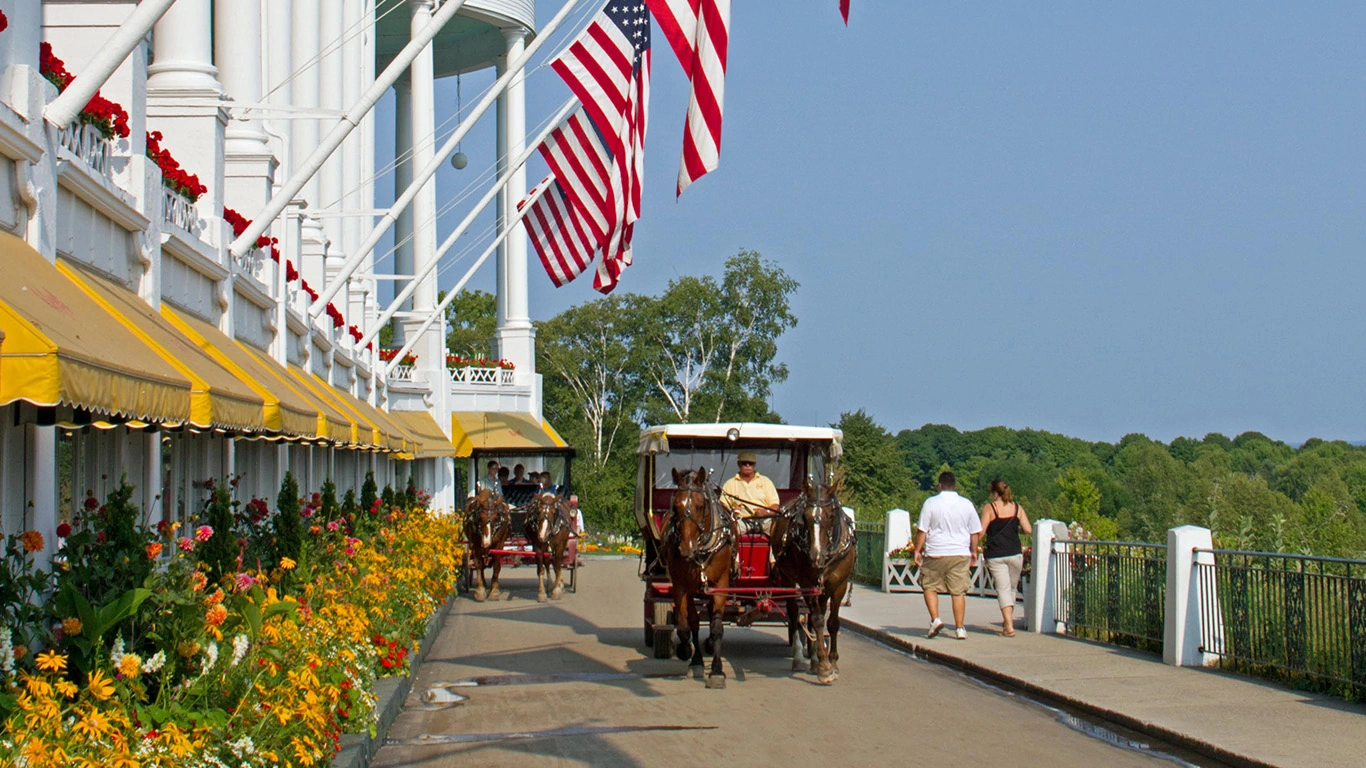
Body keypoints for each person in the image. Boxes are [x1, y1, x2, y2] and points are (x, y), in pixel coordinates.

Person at [913, 470, 982, 640]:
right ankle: (960, 628)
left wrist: (917, 550)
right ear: (954, 486)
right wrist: (973, 550)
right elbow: (975, 531)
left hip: (936, 551)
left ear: (940, 486)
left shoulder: (931, 503)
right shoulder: (966, 504)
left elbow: (922, 530)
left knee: (929, 586)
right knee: (958, 592)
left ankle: (935, 619)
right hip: (959, 552)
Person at [979, 479, 1032, 637]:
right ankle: (1007, 622)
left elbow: (981, 531)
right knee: (1012, 589)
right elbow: (1028, 529)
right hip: (1015, 553)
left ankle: (1008, 625)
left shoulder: (990, 508)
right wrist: (1016, 529)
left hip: (996, 554)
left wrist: (973, 544)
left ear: (995, 493)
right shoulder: (1017, 508)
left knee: (1002, 589)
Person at [720, 451, 780, 534]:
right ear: (739, 464)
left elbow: (775, 505)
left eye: (750, 463)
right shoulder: (730, 483)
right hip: (740, 521)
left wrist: (766, 513)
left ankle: (775, 547)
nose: (748, 465)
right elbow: (722, 506)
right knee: (729, 531)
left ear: (754, 465)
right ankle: (733, 547)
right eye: (744, 463)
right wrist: (732, 511)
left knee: (780, 530)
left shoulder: (765, 481)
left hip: (765, 520)